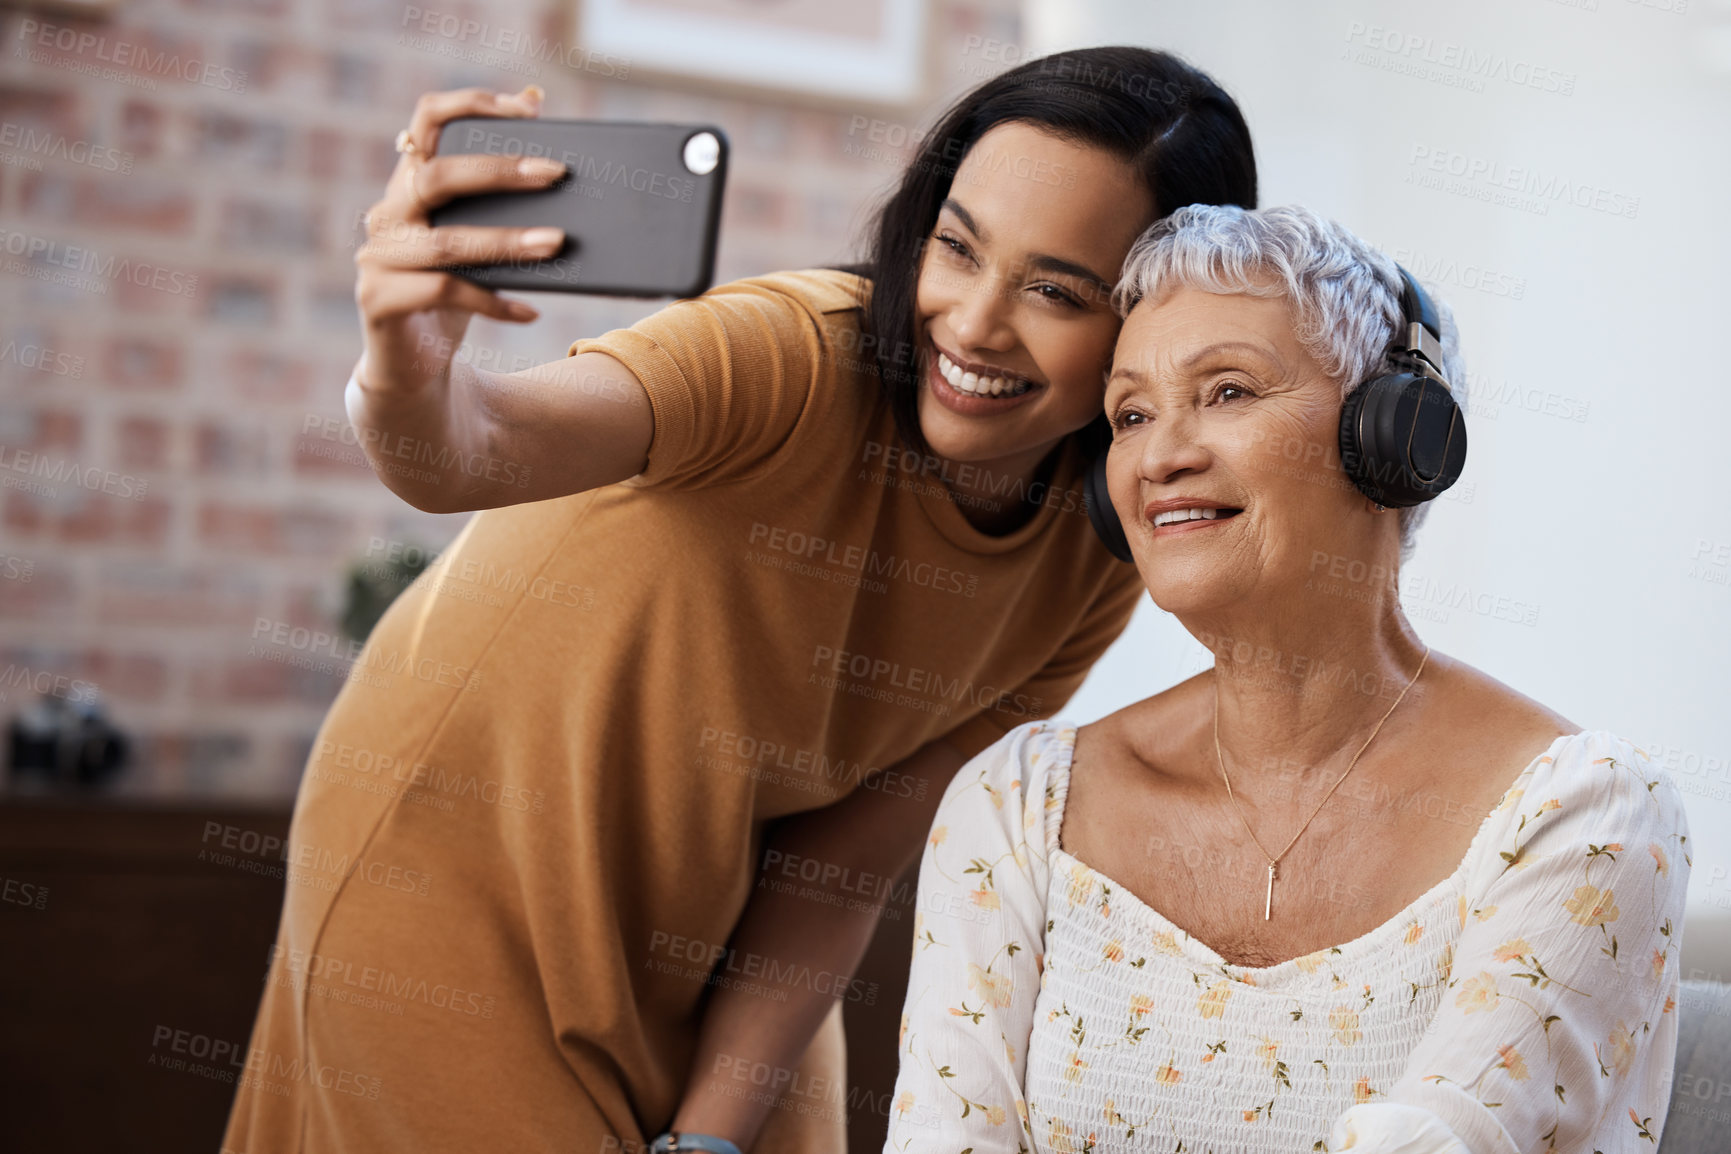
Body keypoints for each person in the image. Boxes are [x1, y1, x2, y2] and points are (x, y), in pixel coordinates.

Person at [222, 50, 1260, 1153]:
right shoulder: (789, 355)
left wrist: (708, 1137)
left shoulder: (1096, 553)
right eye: (957, 247)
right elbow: (465, 451)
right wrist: (405, 363)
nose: (974, 323)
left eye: (1055, 290)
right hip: (454, 871)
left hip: (709, 919)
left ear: (1149, 319)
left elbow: (841, 864)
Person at [884, 204, 1691, 1153]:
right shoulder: (1015, 805)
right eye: (1131, 415)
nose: (1160, 457)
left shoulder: (1586, 816)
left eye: (1226, 391)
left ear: (1394, 438)